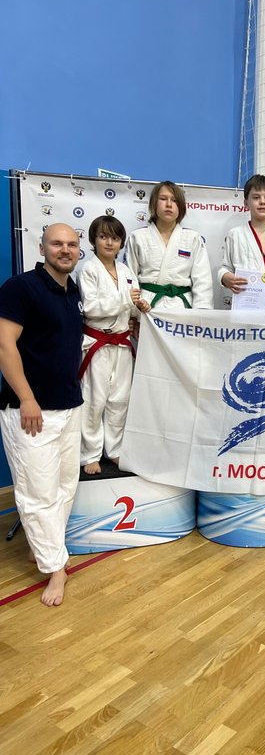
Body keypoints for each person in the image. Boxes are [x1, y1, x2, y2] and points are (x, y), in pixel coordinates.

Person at [0, 223, 83, 606]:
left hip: (68, 405)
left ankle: (44, 548)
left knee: (65, 486)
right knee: (37, 494)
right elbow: (4, 345)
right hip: (30, 410)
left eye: (71, 244)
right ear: (42, 247)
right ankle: (55, 569)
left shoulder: (72, 290)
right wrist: (27, 398)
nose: (65, 250)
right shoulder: (21, 288)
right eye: (57, 244)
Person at [77, 216, 150, 476]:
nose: (109, 242)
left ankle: (115, 448)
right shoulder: (88, 269)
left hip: (121, 342)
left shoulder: (127, 272)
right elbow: (90, 308)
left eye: (115, 238)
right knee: (94, 400)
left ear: (121, 243)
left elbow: (133, 305)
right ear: (93, 240)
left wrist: (140, 307)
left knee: (120, 399)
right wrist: (125, 300)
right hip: (97, 343)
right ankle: (90, 453)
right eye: (103, 236)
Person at [124, 180, 213, 310]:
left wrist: (200, 314)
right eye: (163, 199)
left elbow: (203, 281)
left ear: (180, 206)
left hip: (181, 307)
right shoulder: (138, 237)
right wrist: (133, 311)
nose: (169, 204)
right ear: (154, 204)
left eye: (174, 200)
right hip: (147, 306)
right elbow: (130, 277)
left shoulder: (193, 238)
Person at [218, 174, 265, 314]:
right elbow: (225, 268)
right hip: (244, 302)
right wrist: (225, 277)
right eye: (256, 197)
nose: (262, 202)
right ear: (246, 203)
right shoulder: (235, 235)